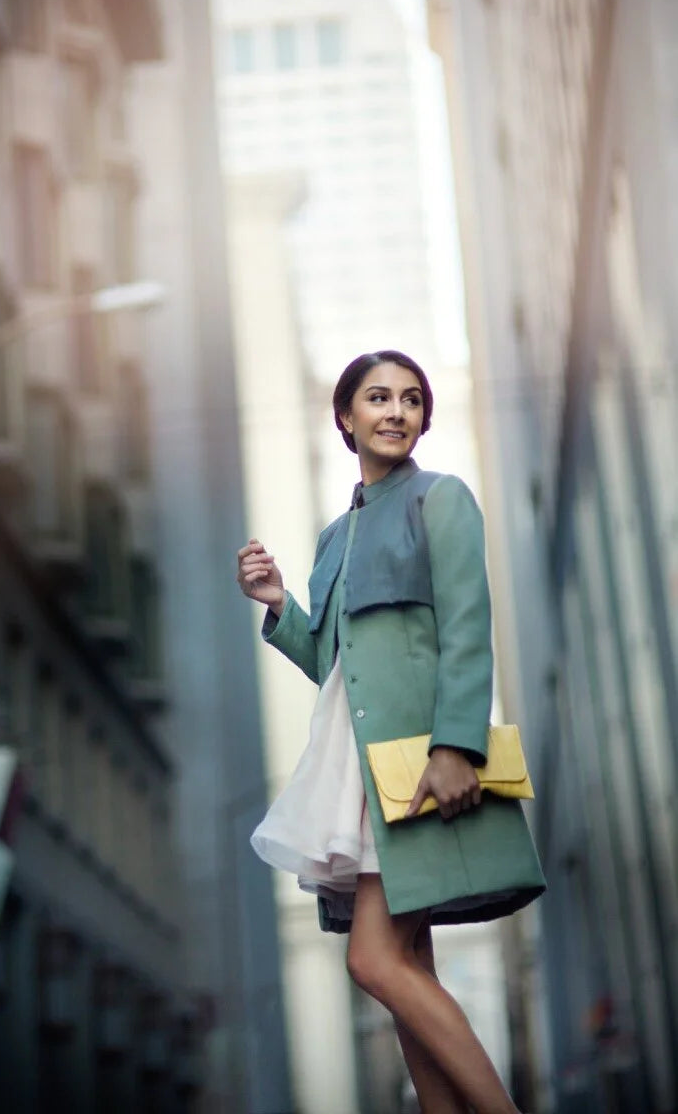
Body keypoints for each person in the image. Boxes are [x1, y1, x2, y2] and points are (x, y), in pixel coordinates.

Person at [236, 350, 545, 1114]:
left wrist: (454, 747)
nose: (395, 411)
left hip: (416, 765)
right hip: (357, 769)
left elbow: (468, 630)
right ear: (344, 417)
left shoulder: (440, 500)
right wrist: (279, 605)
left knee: (373, 961)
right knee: (408, 966)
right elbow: (339, 670)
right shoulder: (333, 537)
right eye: (377, 398)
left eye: (410, 399)